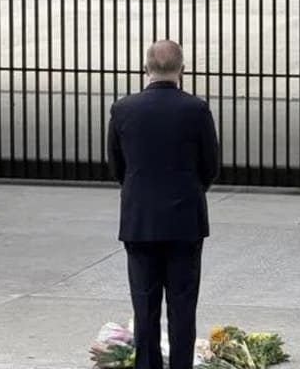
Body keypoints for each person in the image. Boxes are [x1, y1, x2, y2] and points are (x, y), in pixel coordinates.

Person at [106, 40, 220, 369]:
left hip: (139, 221)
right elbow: (209, 165)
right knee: (183, 306)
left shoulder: (123, 109)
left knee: (145, 305)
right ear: (182, 70)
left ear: (146, 70)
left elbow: (117, 166)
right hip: (185, 221)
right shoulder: (196, 110)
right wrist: (192, 190)